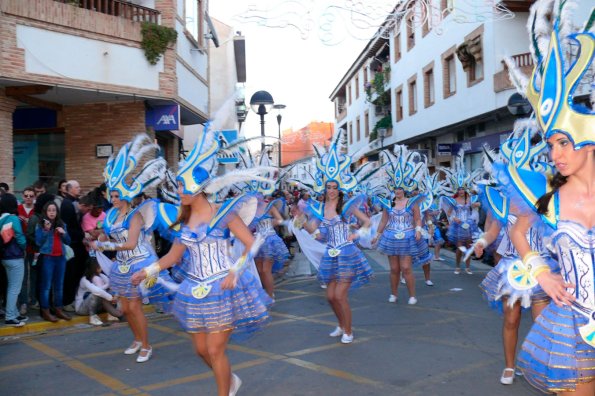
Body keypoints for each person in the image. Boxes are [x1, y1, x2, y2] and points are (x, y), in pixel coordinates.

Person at [131, 126, 272, 396]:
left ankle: (224, 391)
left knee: (215, 349)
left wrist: (235, 270)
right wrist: (147, 271)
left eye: (182, 186)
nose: (179, 190)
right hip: (195, 290)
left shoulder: (224, 214)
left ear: (198, 187)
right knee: (200, 350)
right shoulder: (185, 220)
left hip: (223, 287)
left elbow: (250, 244)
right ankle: (230, 380)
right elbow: (173, 257)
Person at [501, 5, 594, 393]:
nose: (554, 153)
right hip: (575, 322)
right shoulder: (547, 197)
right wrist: (541, 273)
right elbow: (519, 233)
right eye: (551, 144)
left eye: (562, 143)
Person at [90, 135, 171, 363]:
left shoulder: (135, 216)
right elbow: (106, 233)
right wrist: (97, 237)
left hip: (138, 262)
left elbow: (131, 243)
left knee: (134, 307)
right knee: (124, 309)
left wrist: (105, 244)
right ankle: (136, 339)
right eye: (111, 195)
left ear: (126, 195)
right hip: (121, 265)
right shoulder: (112, 214)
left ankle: (146, 345)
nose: (113, 199)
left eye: (116, 195)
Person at [299, 129, 373, 344]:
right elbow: (318, 234)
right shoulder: (320, 208)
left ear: (340, 188)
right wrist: (301, 223)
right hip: (331, 255)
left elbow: (367, 222)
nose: (331, 190)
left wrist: (356, 235)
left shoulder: (347, 206)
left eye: (334, 187)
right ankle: (341, 325)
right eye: (328, 187)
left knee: (340, 296)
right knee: (330, 296)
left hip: (348, 254)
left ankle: (349, 330)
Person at [35, 201, 71, 322]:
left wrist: (64, 233)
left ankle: (58, 309)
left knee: (59, 285)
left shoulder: (62, 224)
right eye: (49, 210)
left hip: (60, 258)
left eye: (54, 210)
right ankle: (45, 311)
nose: (52, 212)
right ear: (45, 212)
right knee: (46, 286)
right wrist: (46, 230)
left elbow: (68, 241)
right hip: (48, 258)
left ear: (57, 212)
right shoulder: (40, 224)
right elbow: (38, 242)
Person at [0, 193, 28, 326]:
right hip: (15, 257)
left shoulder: (1, 219)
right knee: (14, 288)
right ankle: (10, 316)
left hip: (4, 257)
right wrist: (24, 247)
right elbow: (20, 237)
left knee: (11, 286)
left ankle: (15, 313)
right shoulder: (13, 218)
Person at [60, 180, 88, 311]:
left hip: (77, 243)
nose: (79, 189)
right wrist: (80, 236)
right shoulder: (67, 204)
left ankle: (72, 299)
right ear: (69, 189)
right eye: (77, 187)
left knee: (76, 274)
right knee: (71, 274)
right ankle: (67, 301)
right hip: (73, 245)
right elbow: (68, 227)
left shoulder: (72, 203)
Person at [75, 258, 122, 325]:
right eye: (99, 265)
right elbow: (97, 291)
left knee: (111, 291)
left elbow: (111, 284)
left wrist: (113, 294)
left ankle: (111, 314)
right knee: (96, 294)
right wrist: (110, 298)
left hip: (96, 306)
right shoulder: (84, 279)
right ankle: (93, 317)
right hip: (82, 309)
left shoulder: (101, 276)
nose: (101, 267)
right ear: (94, 267)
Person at [17, 187, 37, 315]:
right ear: (23, 197)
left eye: (31, 196)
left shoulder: (37, 211)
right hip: (21, 248)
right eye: (26, 195)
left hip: (34, 248)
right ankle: (23, 302)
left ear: (34, 197)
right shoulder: (18, 210)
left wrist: (32, 222)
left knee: (34, 276)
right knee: (23, 277)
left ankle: (33, 300)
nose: (28, 198)